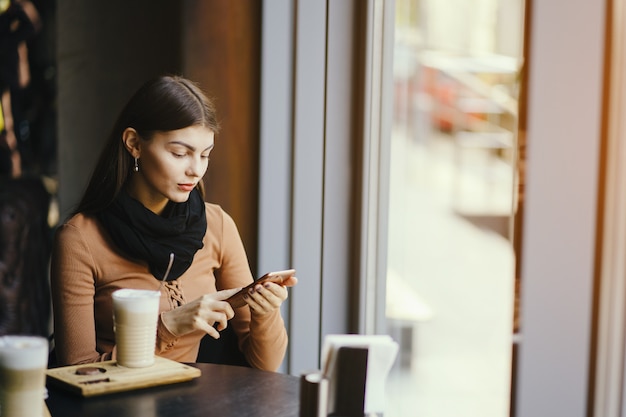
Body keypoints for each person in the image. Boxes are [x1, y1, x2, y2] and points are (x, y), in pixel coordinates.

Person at [50, 75, 297, 371]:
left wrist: (266, 312)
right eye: (180, 153)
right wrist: (168, 326)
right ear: (134, 144)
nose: (196, 170)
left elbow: (266, 366)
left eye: (205, 155)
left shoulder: (217, 224)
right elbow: (77, 371)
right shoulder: (81, 239)